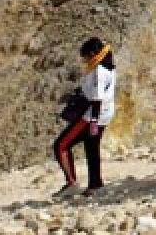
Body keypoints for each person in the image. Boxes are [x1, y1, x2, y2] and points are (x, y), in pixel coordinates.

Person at [53, 38, 116, 197]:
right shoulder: (109, 67)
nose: (85, 60)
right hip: (104, 113)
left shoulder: (98, 71)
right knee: (91, 147)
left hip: (92, 115)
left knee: (61, 145)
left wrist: (93, 121)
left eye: (85, 57)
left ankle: (71, 183)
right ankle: (95, 184)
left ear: (93, 54)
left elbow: (96, 98)